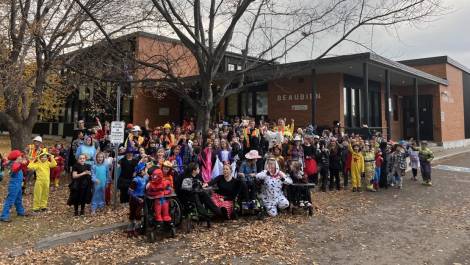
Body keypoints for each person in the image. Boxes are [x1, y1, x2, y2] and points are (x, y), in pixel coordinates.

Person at [0, 150, 29, 222]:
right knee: (10, 200)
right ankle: (4, 216)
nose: (21, 157)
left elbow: (24, 167)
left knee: (18, 199)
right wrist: (22, 164)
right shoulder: (14, 164)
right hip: (14, 185)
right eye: (20, 156)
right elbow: (15, 169)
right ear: (16, 158)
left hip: (18, 184)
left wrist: (26, 161)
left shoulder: (17, 163)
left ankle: (20, 211)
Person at [128, 162, 148, 236]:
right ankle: (130, 229)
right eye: (144, 169)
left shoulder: (145, 178)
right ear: (140, 171)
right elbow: (129, 191)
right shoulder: (135, 180)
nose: (146, 171)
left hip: (141, 198)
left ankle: (137, 229)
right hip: (134, 199)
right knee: (132, 213)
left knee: (138, 213)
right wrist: (137, 198)